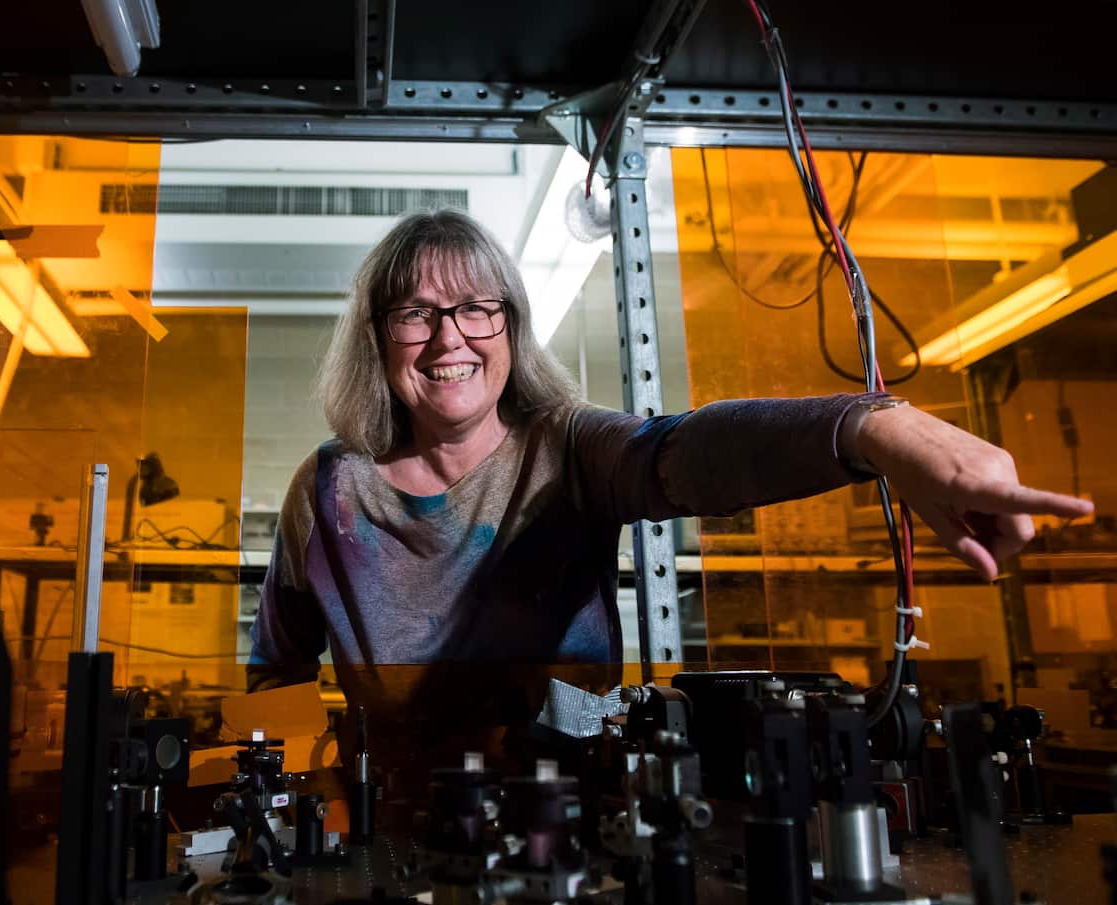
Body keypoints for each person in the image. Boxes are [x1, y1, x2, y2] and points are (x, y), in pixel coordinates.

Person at [247, 209, 1092, 799]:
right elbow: (273, 681)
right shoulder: (328, 492)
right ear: (377, 336)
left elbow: (691, 453)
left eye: (477, 308)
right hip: (379, 847)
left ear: (511, 325)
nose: (449, 337)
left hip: (573, 839)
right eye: (416, 314)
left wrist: (877, 432)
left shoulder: (570, 450)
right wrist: (311, 806)